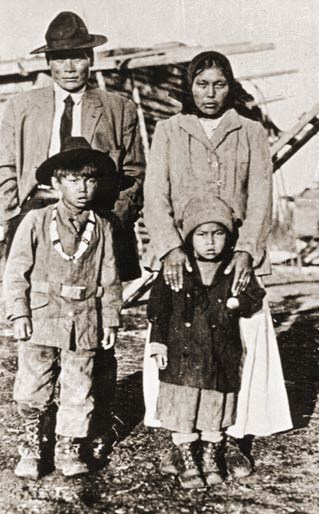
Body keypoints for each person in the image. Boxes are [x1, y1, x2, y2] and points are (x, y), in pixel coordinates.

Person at [143, 51, 292, 437]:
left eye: (220, 84)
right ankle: (182, 429)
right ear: (190, 87)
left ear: (231, 87)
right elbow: (156, 195)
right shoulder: (169, 130)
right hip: (184, 255)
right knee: (180, 335)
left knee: (240, 335)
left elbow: (261, 197)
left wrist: (246, 250)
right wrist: (170, 248)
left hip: (235, 257)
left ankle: (235, 429)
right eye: (202, 84)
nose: (211, 93)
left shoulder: (250, 131)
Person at [3, 137, 122, 479]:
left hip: (83, 321)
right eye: (73, 179)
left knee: (78, 386)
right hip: (41, 318)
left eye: (89, 179)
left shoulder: (102, 227)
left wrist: (110, 320)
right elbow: (16, 272)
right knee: (32, 387)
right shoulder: (37, 221)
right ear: (56, 182)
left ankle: (69, 448)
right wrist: (19, 314)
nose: (82, 188)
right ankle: (31, 447)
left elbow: (110, 278)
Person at [0, 10, 145, 282]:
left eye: (77, 57)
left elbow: (134, 174)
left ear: (90, 59)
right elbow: (5, 166)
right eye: (59, 58)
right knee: (39, 304)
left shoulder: (119, 108)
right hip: (37, 210)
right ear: (47, 61)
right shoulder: (21, 107)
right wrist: (11, 216)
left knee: (98, 306)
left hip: (100, 213)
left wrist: (114, 220)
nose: (68, 67)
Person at [147, 195, 266, 489]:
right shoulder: (177, 269)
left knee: (215, 408)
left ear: (229, 237)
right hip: (181, 355)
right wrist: (159, 343)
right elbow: (158, 310)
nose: (210, 242)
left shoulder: (234, 270)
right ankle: (188, 458)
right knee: (183, 407)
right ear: (189, 238)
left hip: (219, 355)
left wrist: (238, 302)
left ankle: (211, 456)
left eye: (218, 234)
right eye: (202, 235)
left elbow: (255, 297)